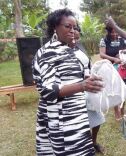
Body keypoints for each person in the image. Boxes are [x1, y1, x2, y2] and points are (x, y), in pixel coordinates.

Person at [32, 8, 103, 155]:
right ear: (54, 27)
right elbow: (48, 90)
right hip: (61, 117)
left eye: (74, 27)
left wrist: (88, 81)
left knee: (81, 150)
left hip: (77, 114)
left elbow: (72, 77)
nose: (72, 30)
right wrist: (82, 86)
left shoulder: (68, 49)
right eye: (67, 26)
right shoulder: (48, 53)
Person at [71, 25, 106, 154]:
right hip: (73, 90)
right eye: (70, 29)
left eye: (77, 30)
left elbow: (87, 66)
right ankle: (83, 145)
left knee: (96, 117)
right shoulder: (62, 49)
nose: (74, 32)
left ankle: (93, 142)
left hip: (88, 88)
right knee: (80, 121)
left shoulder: (80, 47)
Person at [99, 26, 126, 120]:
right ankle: (116, 111)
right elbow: (102, 54)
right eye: (112, 32)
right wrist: (114, 59)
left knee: (123, 89)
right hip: (110, 68)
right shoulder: (104, 40)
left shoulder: (123, 39)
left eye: (116, 32)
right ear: (108, 32)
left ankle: (122, 111)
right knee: (114, 90)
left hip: (123, 67)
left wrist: (123, 51)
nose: (115, 34)